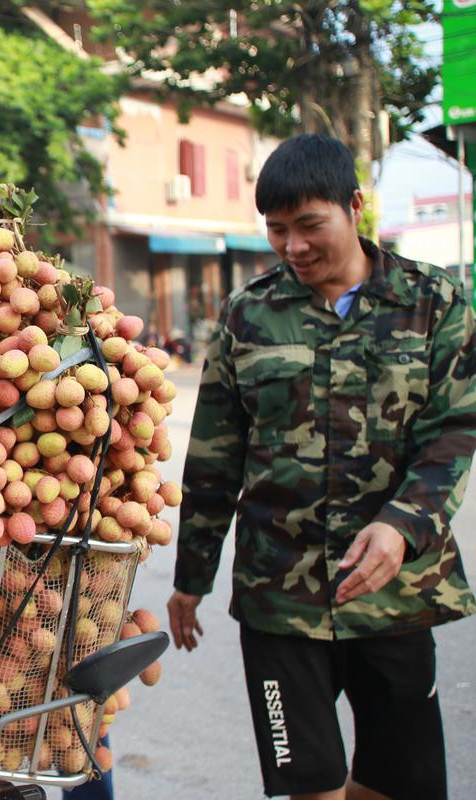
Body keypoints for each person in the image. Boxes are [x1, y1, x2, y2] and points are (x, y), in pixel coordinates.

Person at [169, 134, 475, 800]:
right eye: (277, 230)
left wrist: (402, 523)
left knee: (399, 784)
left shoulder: (434, 304)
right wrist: (190, 577)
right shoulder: (248, 316)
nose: (293, 247)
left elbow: (454, 429)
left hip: (396, 593)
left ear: (355, 207)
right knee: (310, 785)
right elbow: (215, 458)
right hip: (280, 597)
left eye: (310, 226)